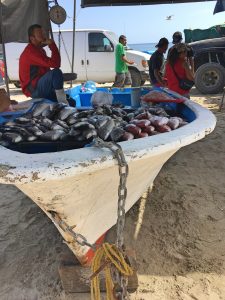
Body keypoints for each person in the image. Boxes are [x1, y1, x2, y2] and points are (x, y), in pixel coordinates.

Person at [19, 24, 68, 104]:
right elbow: (56, 64)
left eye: (43, 33)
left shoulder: (40, 50)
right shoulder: (31, 52)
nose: (43, 36)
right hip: (33, 89)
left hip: (40, 85)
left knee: (72, 102)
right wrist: (52, 45)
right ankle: (63, 104)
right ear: (32, 38)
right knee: (56, 72)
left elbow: (51, 67)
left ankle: (63, 103)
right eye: (40, 34)